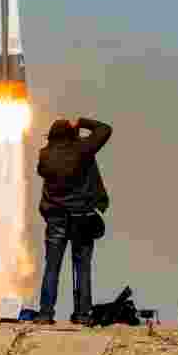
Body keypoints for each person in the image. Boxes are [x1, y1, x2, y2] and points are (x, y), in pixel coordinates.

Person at [33, 116, 113, 325]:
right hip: (81, 217)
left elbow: (43, 172)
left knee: (52, 266)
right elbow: (105, 129)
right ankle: (83, 313)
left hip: (55, 217)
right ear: (72, 133)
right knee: (82, 267)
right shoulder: (82, 150)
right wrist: (83, 122)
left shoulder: (45, 155)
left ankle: (45, 313)